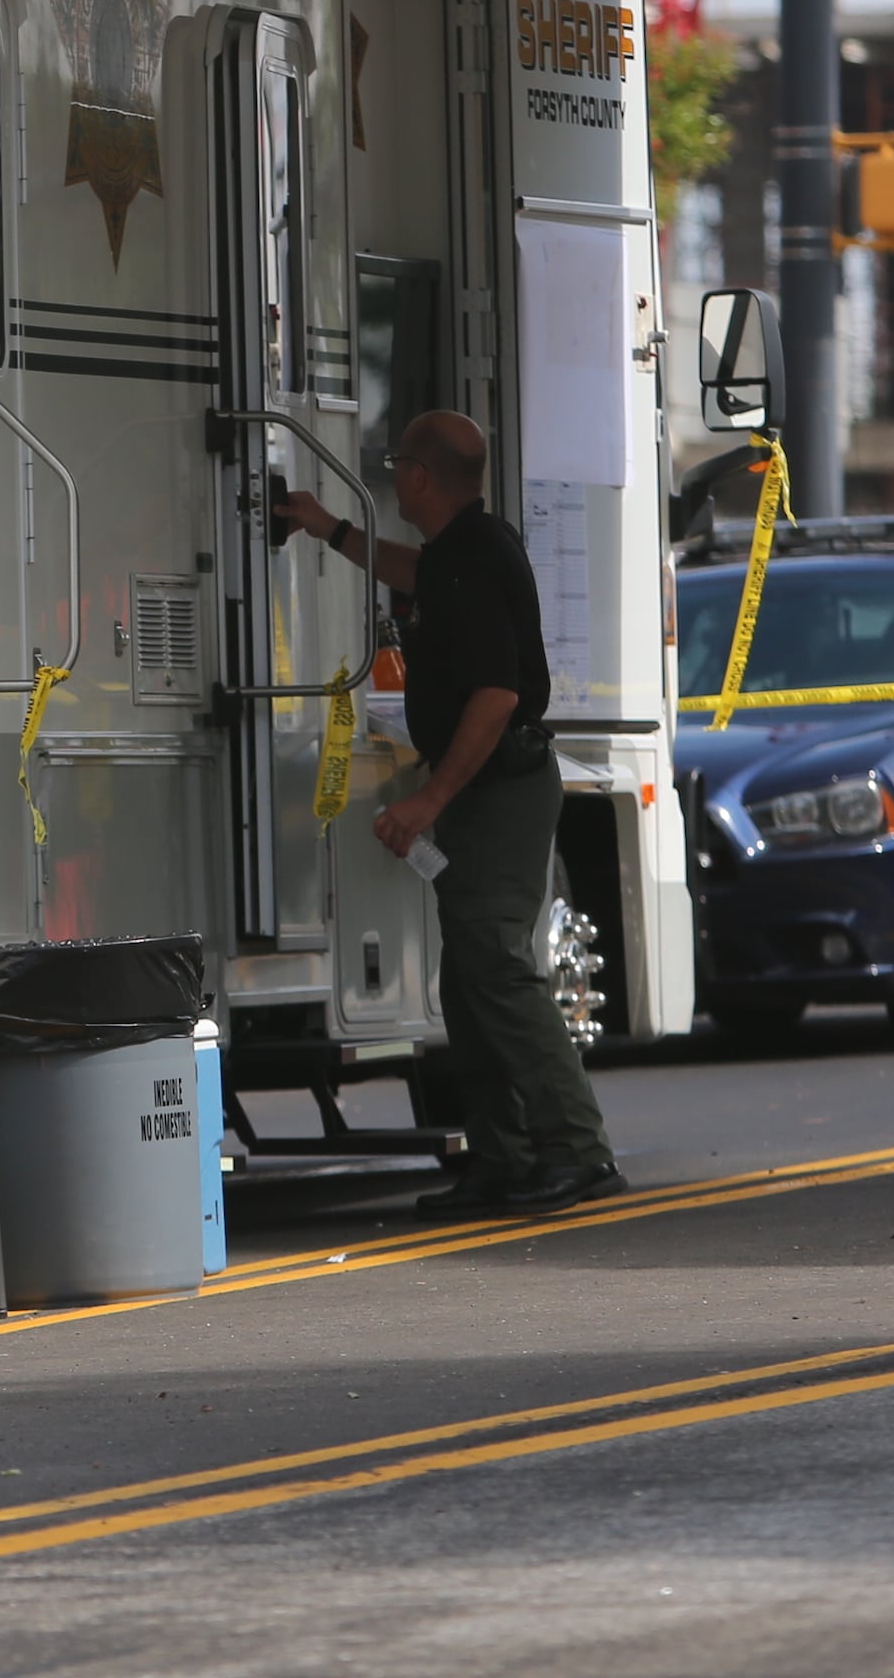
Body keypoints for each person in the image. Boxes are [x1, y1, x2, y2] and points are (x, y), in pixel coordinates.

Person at [279, 413, 622, 1214]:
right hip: (489, 791)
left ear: (423, 477)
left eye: (399, 465)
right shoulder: (462, 553)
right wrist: (330, 531)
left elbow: (497, 695)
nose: (394, 478)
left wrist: (428, 800)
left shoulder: (473, 558)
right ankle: (503, 1156)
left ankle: (577, 1150)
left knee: (497, 968)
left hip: (499, 790)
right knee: (468, 980)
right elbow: (415, 573)